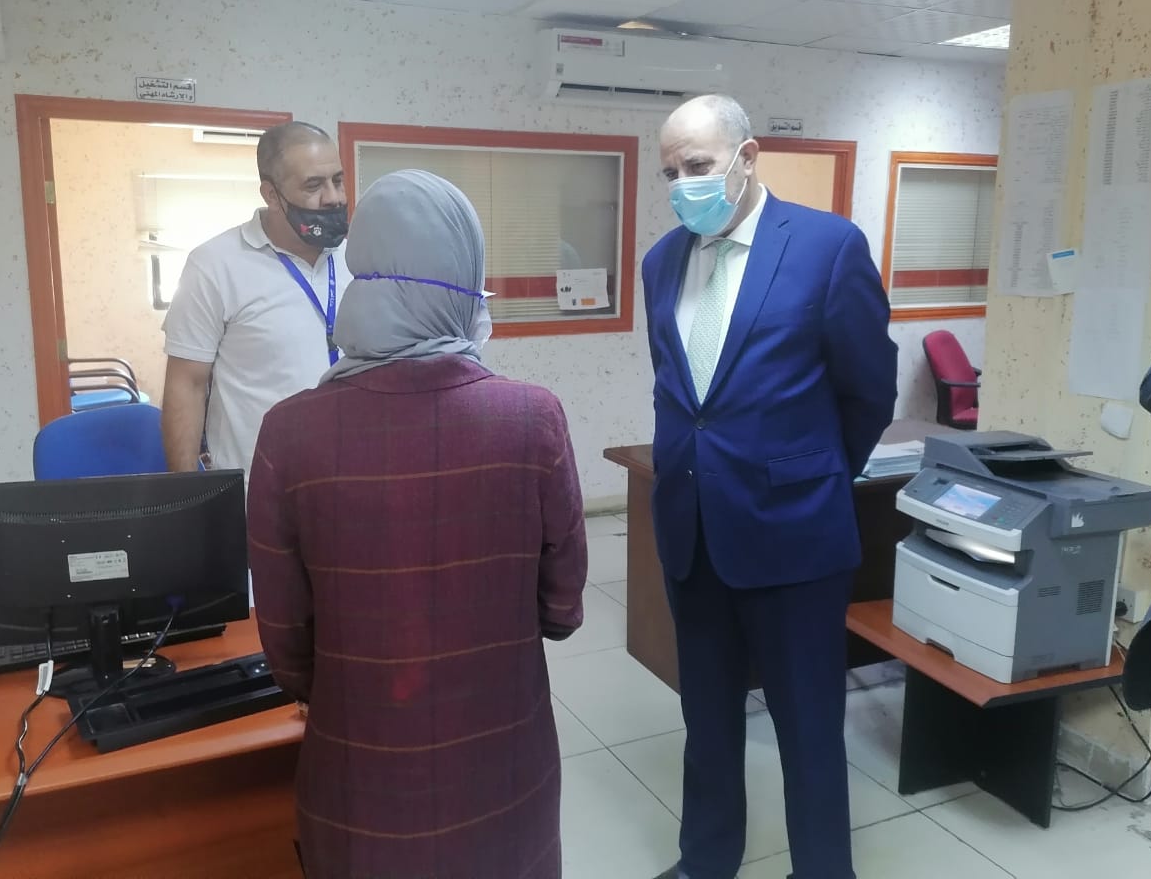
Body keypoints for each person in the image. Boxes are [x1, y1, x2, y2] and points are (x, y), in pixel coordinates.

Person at [246, 169, 587, 879]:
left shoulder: (289, 433)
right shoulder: (532, 418)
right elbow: (561, 608)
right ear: (464, 280)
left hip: (360, 765)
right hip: (503, 759)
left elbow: (286, 643)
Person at [642, 95, 898, 879]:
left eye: (697, 166)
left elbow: (869, 391)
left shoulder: (827, 247)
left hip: (795, 536)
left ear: (747, 157)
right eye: (670, 173)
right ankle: (705, 861)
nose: (683, 185)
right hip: (693, 531)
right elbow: (681, 393)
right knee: (706, 716)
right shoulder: (662, 262)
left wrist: (810, 476)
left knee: (808, 725)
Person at [161, 121, 351, 475]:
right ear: (271, 195)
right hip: (259, 487)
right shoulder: (213, 265)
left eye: (337, 181)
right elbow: (187, 384)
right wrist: (189, 495)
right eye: (314, 185)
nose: (333, 198)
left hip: (349, 479)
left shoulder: (359, 258)